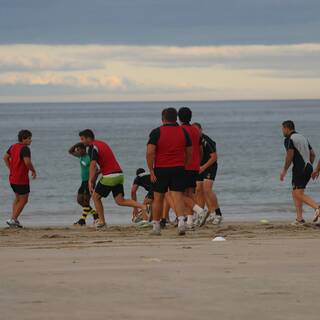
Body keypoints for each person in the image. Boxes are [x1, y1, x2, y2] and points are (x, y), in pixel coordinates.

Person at [79, 129, 148, 229]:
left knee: (95, 197)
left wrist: (90, 181)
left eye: (82, 139)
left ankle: (102, 222)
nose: (81, 142)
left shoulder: (92, 147)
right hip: (119, 175)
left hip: (110, 176)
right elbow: (105, 163)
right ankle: (143, 207)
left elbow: (93, 165)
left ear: (88, 138)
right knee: (120, 201)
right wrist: (96, 175)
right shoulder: (102, 144)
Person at [146, 107, 192, 236]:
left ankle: (156, 226)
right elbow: (190, 151)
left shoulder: (156, 132)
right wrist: (185, 164)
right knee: (177, 196)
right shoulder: (183, 132)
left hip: (161, 168)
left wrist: (151, 170)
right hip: (179, 167)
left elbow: (150, 152)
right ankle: (182, 223)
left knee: (158, 197)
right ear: (175, 118)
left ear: (163, 119)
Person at [280, 120, 320, 225]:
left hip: (300, 168)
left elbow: (290, 155)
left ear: (287, 128)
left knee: (297, 193)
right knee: (296, 192)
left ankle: (317, 208)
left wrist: (284, 170)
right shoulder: (302, 137)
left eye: (282, 129)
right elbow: (313, 154)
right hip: (308, 167)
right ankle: (299, 219)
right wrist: (309, 166)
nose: (282, 131)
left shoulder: (289, 139)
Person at [178, 107, 206, 229]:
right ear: (191, 117)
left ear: (179, 118)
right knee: (189, 194)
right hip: (195, 166)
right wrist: (198, 162)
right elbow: (201, 150)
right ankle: (189, 221)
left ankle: (200, 211)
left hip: (183, 166)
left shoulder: (179, 130)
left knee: (177, 194)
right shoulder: (196, 131)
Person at [3, 130, 37, 228]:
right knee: (24, 200)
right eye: (29, 138)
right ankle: (13, 219)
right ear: (23, 139)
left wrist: (11, 168)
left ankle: (14, 219)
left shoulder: (13, 146)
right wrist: (33, 170)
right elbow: (27, 162)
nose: (31, 140)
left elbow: (5, 158)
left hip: (13, 178)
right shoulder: (25, 148)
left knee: (18, 198)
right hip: (21, 179)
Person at [193, 123, 223, 226]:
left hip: (210, 166)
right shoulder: (192, 140)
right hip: (199, 167)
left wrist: (203, 167)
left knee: (207, 189)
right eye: (193, 130)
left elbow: (214, 157)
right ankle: (200, 214)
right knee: (198, 189)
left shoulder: (206, 140)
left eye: (197, 130)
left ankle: (217, 214)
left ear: (201, 129)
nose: (196, 132)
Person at [68, 143, 99, 226]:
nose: (77, 151)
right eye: (77, 150)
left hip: (89, 181)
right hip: (83, 181)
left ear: (83, 149)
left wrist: (92, 181)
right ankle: (95, 213)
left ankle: (82, 220)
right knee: (79, 200)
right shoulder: (80, 156)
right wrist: (77, 144)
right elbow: (70, 151)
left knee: (86, 200)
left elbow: (97, 169)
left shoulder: (89, 157)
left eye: (79, 149)